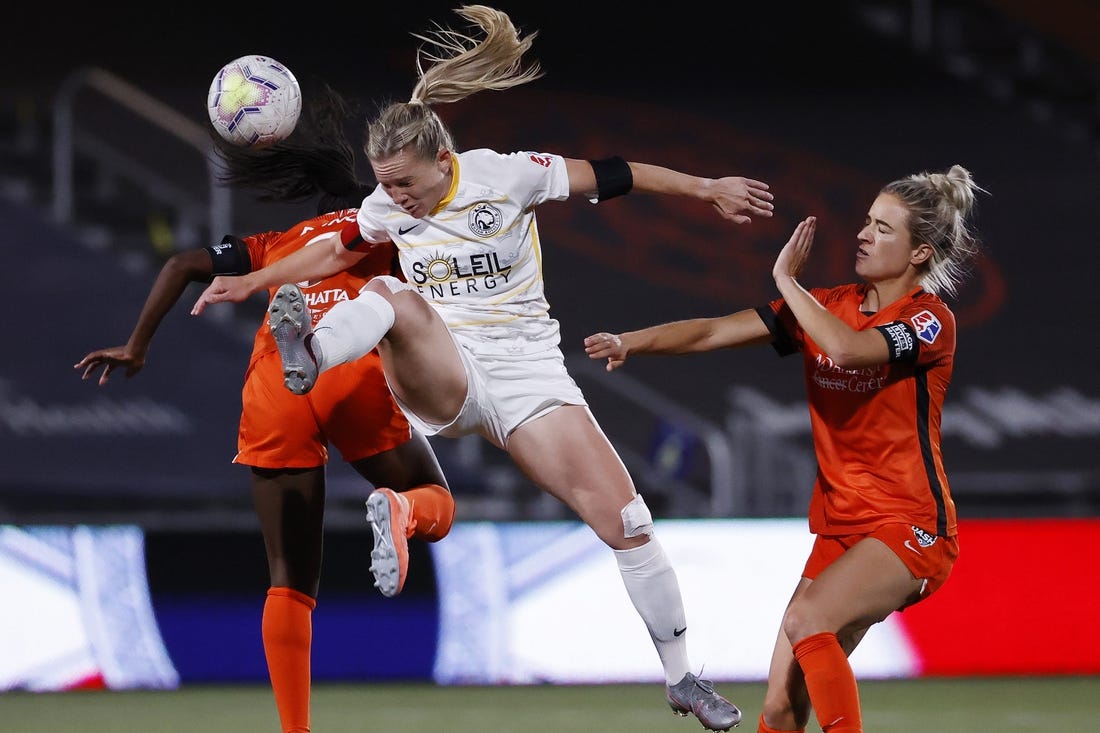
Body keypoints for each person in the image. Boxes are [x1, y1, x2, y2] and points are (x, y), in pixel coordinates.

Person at [190, 5, 773, 730]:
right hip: (442, 368)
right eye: (384, 185)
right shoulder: (387, 205)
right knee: (388, 292)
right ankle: (311, 352)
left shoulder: (510, 175)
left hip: (529, 380)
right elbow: (335, 251)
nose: (393, 198)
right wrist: (253, 281)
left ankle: (683, 678)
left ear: (444, 160)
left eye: (403, 183)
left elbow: (616, 175)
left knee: (629, 522)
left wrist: (706, 186)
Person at [75, 85, 455, 733]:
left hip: (277, 386)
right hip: (350, 370)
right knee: (432, 498)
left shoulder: (279, 240)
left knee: (289, 576)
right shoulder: (391, 224)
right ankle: (402, 509)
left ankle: (294, 729)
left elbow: (183, 262)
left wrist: (138, 346)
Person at [584, 165, 984, 733]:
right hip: (842, 528)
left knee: (807, 618)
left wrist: (788, 283)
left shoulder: (928, 321)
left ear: (920, 254)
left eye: (883, 229)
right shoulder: (827, 307)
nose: (863, 235)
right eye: (867, 222)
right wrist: (632, 342)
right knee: (779, 706)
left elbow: (846, 351)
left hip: (911, 525)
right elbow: (712, 331)